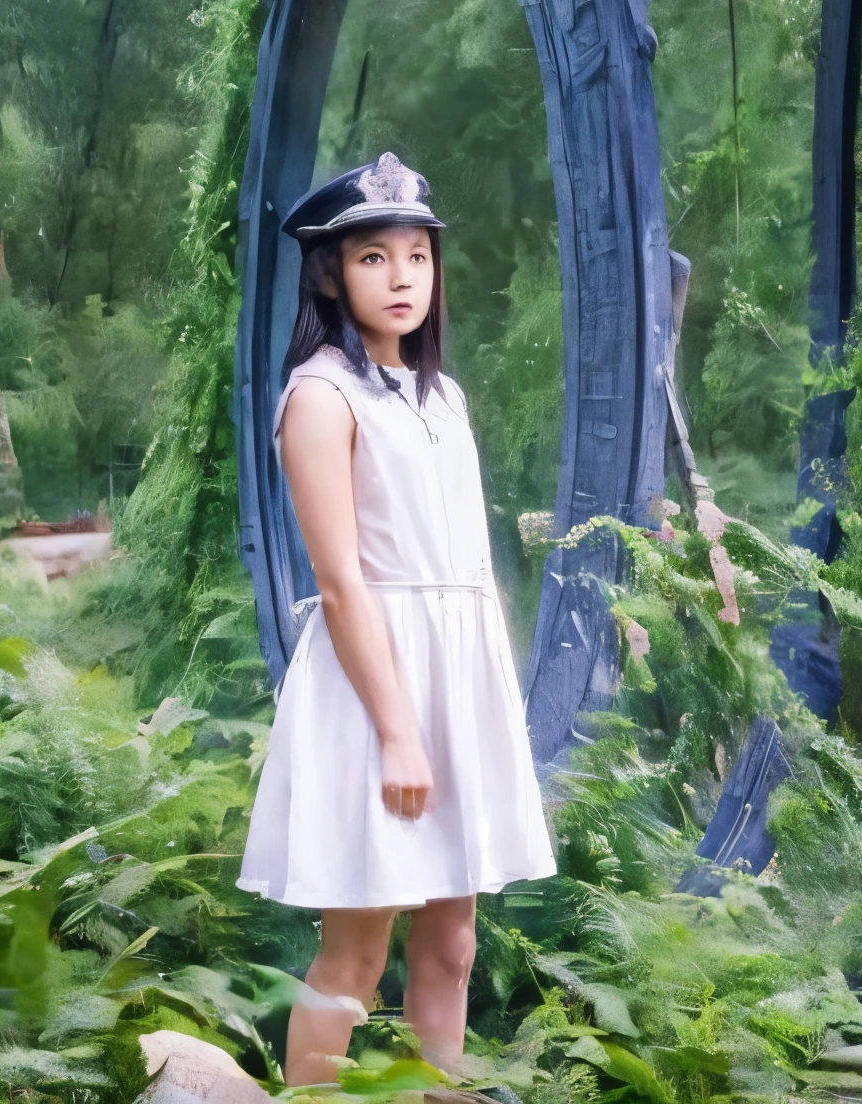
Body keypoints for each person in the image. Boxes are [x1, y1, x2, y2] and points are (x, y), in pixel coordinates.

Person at [236, 151, 556, 1085]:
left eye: (416, 255)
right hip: (377, 685)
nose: (402, 276)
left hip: (457, 680)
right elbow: (341, 583)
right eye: (374, 258)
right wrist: (399, 733)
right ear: (332, 272)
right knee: (359, 950)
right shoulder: (320, 396)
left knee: (452, 941)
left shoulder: (441, 397)